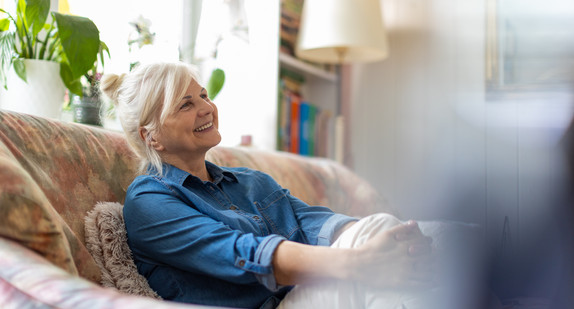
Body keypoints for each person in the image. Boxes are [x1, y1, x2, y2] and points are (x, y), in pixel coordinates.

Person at [100, 61, 434, 309]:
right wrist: (359, 262)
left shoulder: (249, 181)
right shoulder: (149, 200)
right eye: (186, 104)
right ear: (152, 136)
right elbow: (237, 252)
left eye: (203, 95)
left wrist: (392, 242)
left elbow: (313, 223)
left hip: (305, 296)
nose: (207, 108)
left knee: (408, 237)